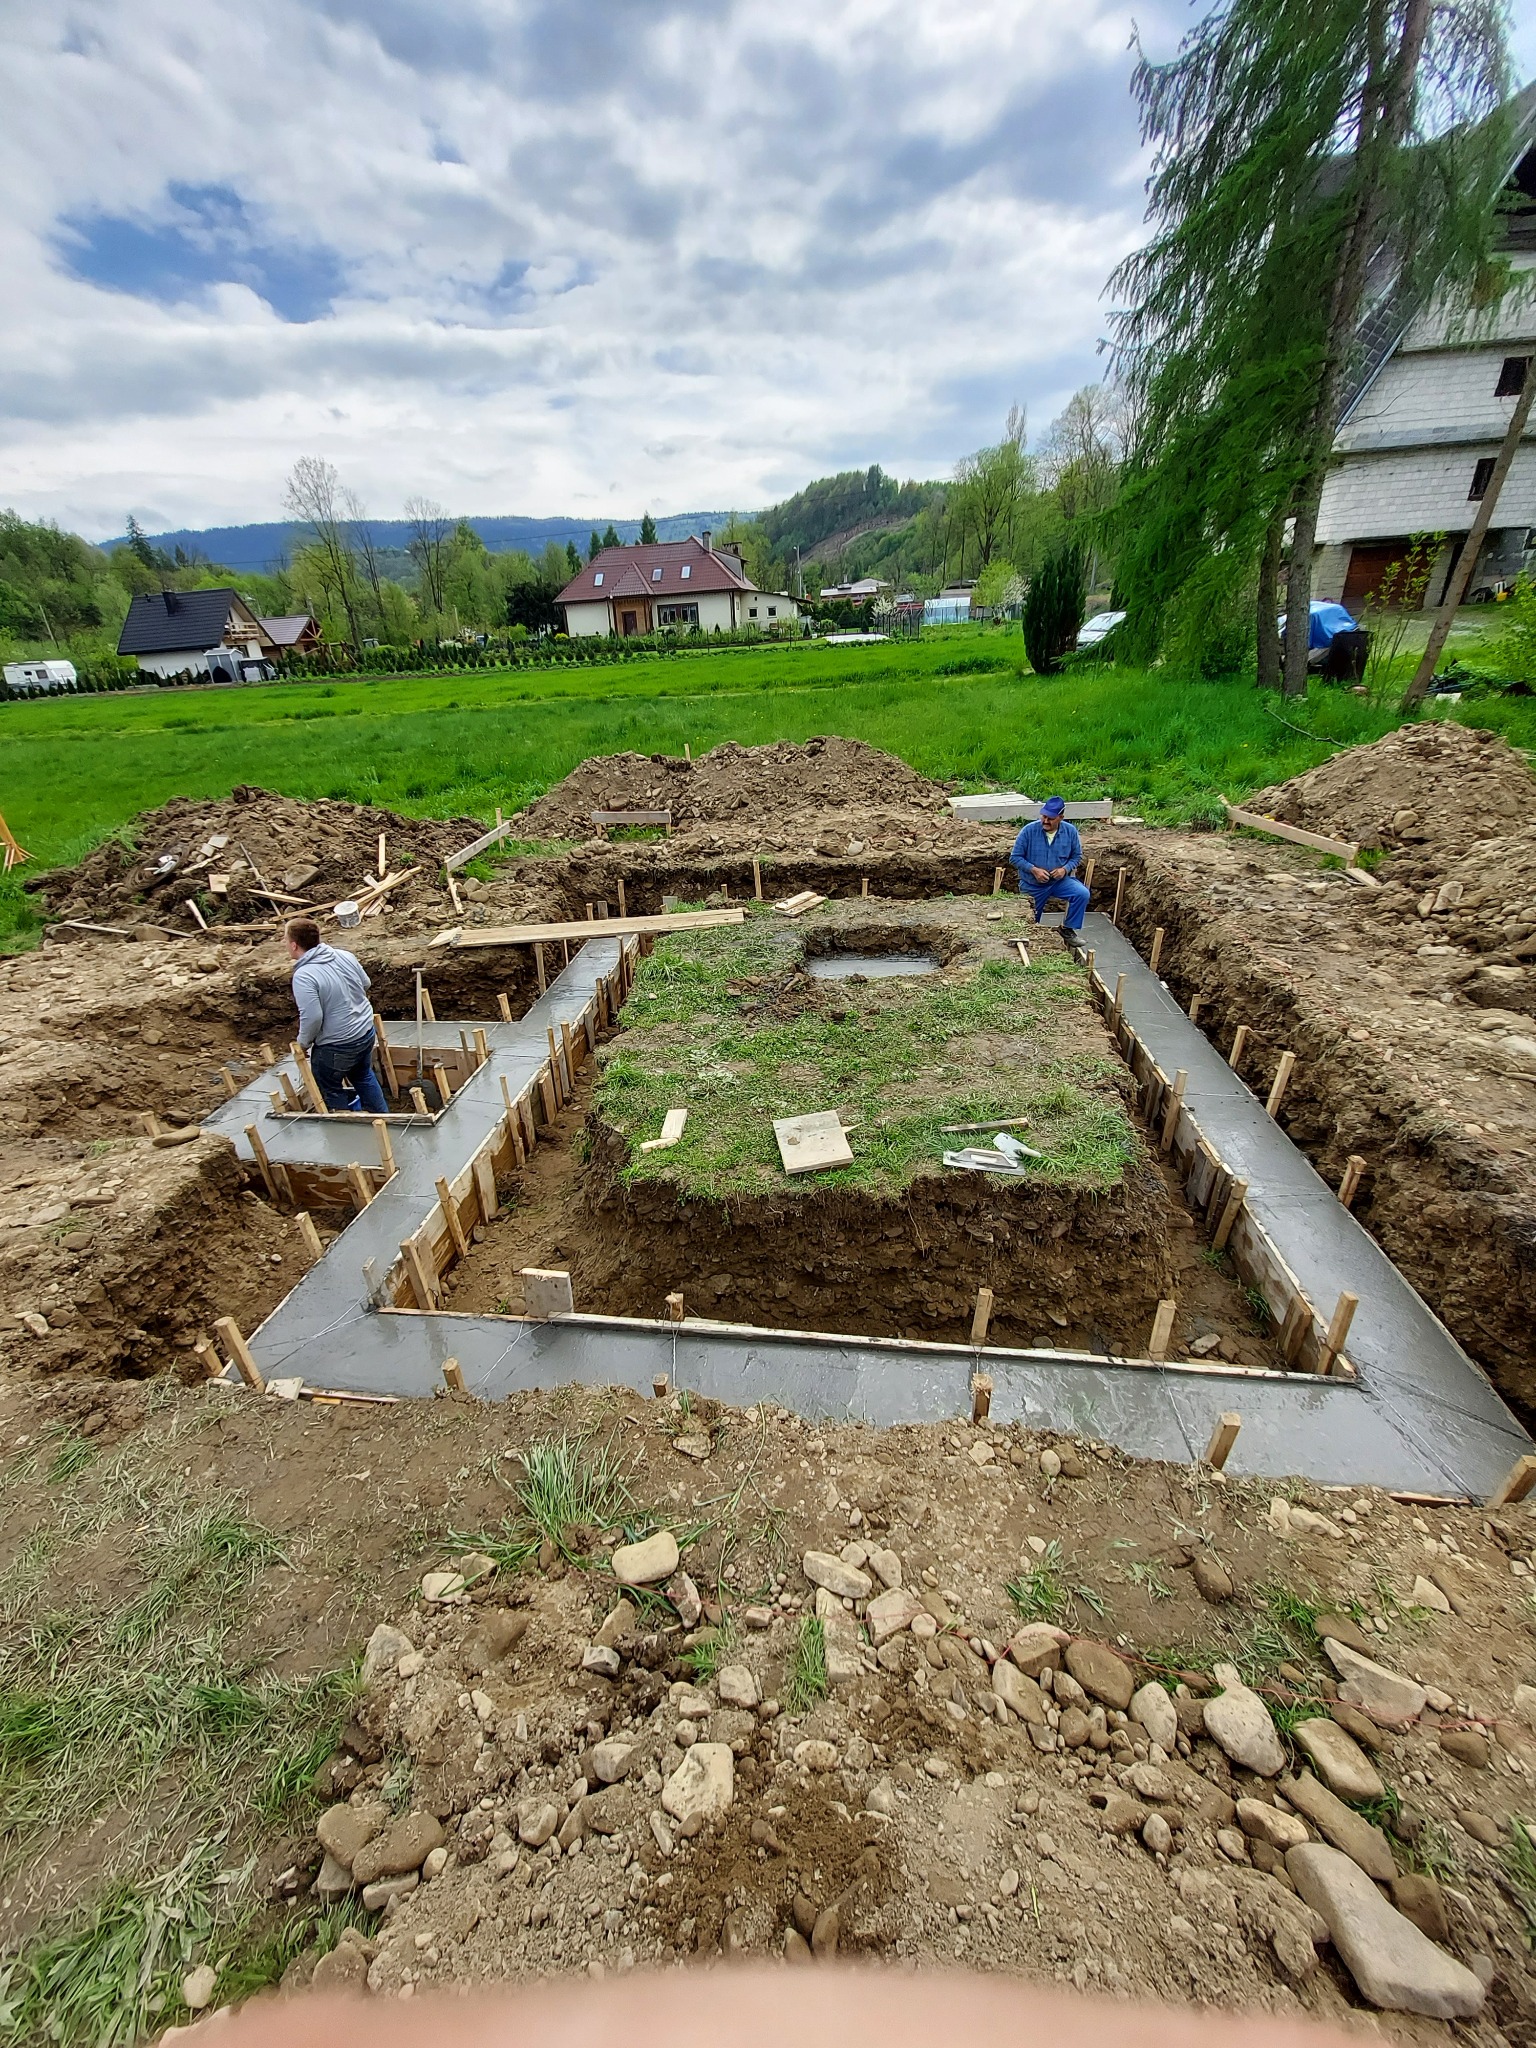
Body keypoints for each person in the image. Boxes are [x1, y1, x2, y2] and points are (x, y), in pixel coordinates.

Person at [285, 917, 390, 1114]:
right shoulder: (344, 955)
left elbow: (313, 1017)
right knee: (363, 1075)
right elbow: (365, 983)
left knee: (330, 1087)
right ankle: (384, 1118)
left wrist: (303, 1043)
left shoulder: (304, 975)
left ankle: (343, 1130)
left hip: (337, 1045)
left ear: (294, 945)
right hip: (366, 1032)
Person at [1009, 796, 1090, 935]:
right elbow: (1015, 858)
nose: (1045, 821)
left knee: (1082, 894)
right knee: (1031, 922)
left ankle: (1067, 929)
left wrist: (1064, 869)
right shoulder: (1029, 831)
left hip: (1060, 882)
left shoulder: (1070, 832)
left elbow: (1076, 857)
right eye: (1044, 817)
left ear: (1061, 817)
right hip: (1032, 885)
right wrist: (1033, 870)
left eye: (1050, 818)